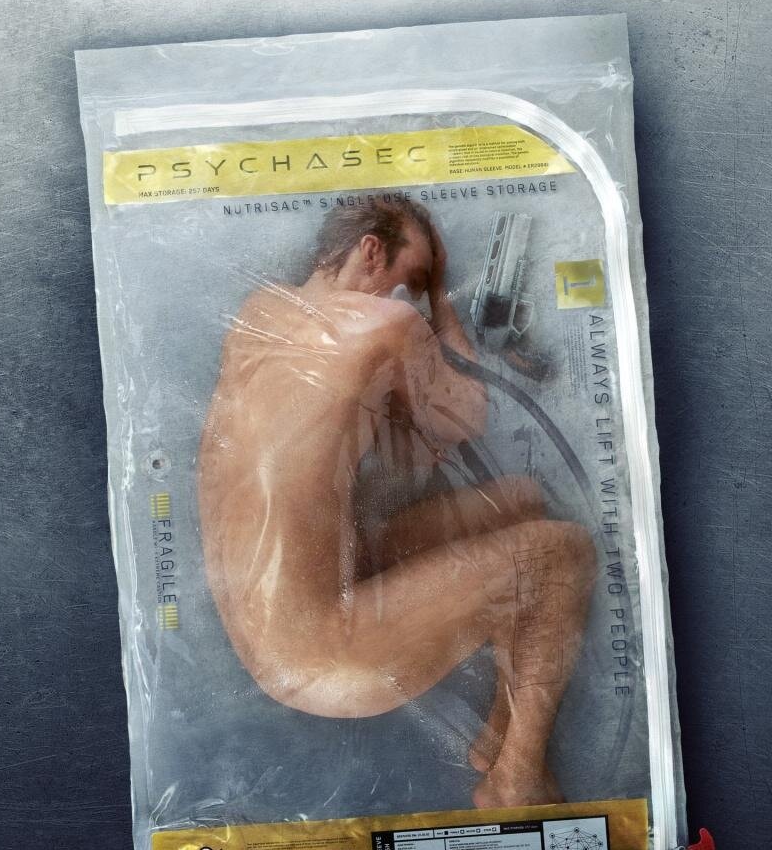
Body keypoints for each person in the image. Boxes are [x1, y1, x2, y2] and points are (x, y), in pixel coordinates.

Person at [197, 198, 596, 808]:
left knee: (520, 501)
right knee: (560, 555)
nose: (412, 294)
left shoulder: (259, 310)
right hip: (325, 653)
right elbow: (467, 417)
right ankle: (516, 781)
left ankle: (498, 738)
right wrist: (439, 299)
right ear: (372, 250)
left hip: (275, 625)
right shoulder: (386, 322)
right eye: (413, 277)